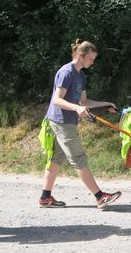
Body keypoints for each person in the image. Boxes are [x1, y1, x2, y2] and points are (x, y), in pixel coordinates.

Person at [39, 39, 122, 209]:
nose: (92, 62)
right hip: (61, 122)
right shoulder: (67, 72)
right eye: (90, 59)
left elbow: (84, 101)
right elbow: (57, 100)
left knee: (56, 158)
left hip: (66, 121)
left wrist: (105, 104)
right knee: (78, 158)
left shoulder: (80, 75)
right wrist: (76, 109)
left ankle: (45, 198)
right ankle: (100, 197)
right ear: (80, 56)